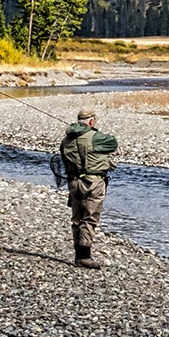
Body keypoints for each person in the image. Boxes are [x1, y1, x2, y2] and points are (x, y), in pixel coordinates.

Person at [59, 108, 118, 269]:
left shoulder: (66, 140)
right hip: (93, 182)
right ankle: (84, 256)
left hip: (74, 182)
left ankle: (79, 255)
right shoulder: (95, 138)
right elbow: (113, 143)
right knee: (90, 217)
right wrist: (93, 132)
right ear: (91, 121)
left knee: (77, 218)